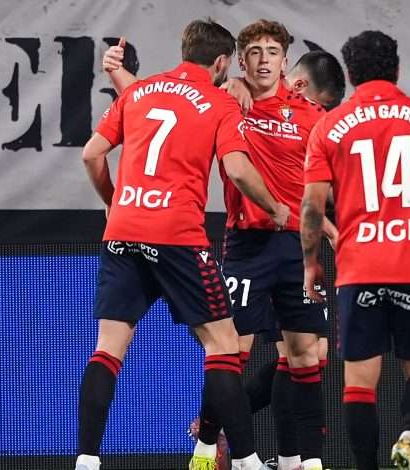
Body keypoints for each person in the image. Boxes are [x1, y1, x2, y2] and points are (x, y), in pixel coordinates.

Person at [102, 22, 345, 470]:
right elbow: (159, 105)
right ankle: (207, 448)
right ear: (238, 60)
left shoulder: (311, 114)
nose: (264, 59)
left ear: (286, 61)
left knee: (309, 355)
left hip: (296, 246)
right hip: (246, 246)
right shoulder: (226, 100)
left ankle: (304, 462)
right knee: (230, 352)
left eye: (273, 51)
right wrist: (119, 76)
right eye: (253, 52)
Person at [76, 19, 289, 470]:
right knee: (223, 345)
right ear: (221, 62)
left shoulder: (139, 92)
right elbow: (237, 170)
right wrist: (278, 208)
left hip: (123, 232)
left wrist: (116, 203)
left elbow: (92, 153)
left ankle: (87, 460)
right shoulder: (218, 101)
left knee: (107, 349)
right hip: (176, 236)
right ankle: (248, 461)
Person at [300, 30, 410, 470]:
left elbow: (310, 206)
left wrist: (310, 263)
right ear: (396, 68)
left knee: (359, 385)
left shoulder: (328, 126)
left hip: (359, 269)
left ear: (352, 75)